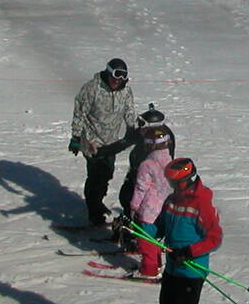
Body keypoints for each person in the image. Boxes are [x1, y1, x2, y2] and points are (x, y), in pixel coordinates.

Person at [145, 158, 223, 304]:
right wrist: (138, 230)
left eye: (176, 183)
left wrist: (189, 252)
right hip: (173, 268)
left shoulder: (201, 203)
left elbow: (215, 238)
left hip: (191, 271)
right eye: (170, 183)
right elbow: (159, 227)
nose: (172, 187)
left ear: (189, 180)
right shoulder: (172, 200)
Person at [69, 57, 138, 227]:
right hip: (91, 140)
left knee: (107, 173)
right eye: (115, 76)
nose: (117, 81)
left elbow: (129, 111)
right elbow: (80, 112)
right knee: (96, 175)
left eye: (122, 77)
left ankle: (97, 201)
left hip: (111, 142)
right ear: (108, 73)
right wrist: (76, 137)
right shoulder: (92, 88)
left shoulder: (125, 91)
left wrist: (133, 128)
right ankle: (94, 210)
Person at [124, 116, 176, 278]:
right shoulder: (171, 161)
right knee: (154, 239)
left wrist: (133, 206)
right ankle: (157, 264)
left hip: (149, 210)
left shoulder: (147, 164)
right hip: (165, 208)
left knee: (146, 241)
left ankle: (149, 270)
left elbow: (141, 188)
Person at [118, 106, 176, 217]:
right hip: (144, 179)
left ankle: (134, 219)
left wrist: (133, 206)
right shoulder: (158, 136)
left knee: (129, 197)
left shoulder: (149, 162)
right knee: (126, 194)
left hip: (148, 185)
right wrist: (102, 151)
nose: (139, 128)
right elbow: (123, 143)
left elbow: (141, 186)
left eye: (142, 125)